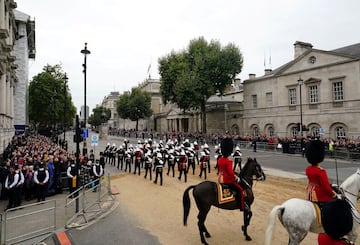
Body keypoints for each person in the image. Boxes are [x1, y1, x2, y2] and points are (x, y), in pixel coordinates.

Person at [305, 139, 336, 207]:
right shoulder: (320, 171)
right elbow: (326, 188)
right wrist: (334, 194)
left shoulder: (308, 169)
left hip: (310, 193)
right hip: (320, 195)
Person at [216, 137, 245, 210]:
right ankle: (242, 206)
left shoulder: (219, 160)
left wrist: (219, 178)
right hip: (229, 180)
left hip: (222, 178)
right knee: (240, 190)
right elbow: (230, 173)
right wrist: (236, 177)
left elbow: (220, 171)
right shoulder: (228, 161)